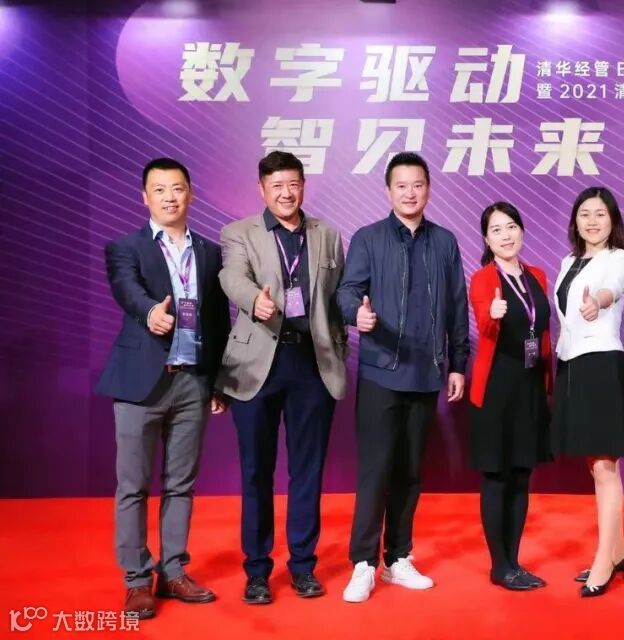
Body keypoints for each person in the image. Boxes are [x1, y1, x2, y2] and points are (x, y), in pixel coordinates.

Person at [95, 157, 229, 620]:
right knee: (133, 486)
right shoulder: (125, 247)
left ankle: (173, 572)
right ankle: (137, 580)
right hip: (141, 383)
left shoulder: (209, 252)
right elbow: (125, 288)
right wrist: (150, 311)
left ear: (190, 194)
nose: (170, 197)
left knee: (182, 485)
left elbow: (217, 319)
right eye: (160, 189)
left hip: (193, 381)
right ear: (145, 197)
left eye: (177, 188)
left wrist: (217, 381)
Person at [337, 151, 470, 603]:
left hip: (427, 372)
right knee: (375, 470)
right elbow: (347, 291)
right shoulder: (368, 238)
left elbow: (456, 306)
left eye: (418, 184)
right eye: (402, 185)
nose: (410, 193)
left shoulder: (445, 242)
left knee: (411, 472)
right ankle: (362, 563)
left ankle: (397, 558)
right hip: (381, 371)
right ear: (388, 191)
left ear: (428, 188)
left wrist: (457, 363)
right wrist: (356, 314)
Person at [216, 151, 347, 605]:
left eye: (293, 184)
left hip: (313, 364)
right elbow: (231, 277)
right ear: (262, 189)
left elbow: (339, 297)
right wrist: (255, 300)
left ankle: (303, 566)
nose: (286, 193)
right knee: (256, 471)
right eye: (276, 186)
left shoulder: (328, 235)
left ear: (303, 185)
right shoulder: (238, 233)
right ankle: (256, 571)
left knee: (307, 471)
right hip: (258, 366)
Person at [552, 186, 624, 598]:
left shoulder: (620, 259)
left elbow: (612, 288)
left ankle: (604, 561)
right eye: (585, 213)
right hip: (571, 364)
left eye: (600, 213)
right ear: (575, 220)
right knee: (593, 465)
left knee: (605, 466)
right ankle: (619, 552)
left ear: (612, 219)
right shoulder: (568, 261)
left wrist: (598, 302)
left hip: (601, 364)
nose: (592, 221)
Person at [467, 202, 553, 591]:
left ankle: (515, 563)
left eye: (511, 226)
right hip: (497, 391)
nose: (506, 235)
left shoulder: (538, 275)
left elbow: (544, 330)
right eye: (497, 230)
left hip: (530, 388)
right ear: (487, 239)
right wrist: (493, 315)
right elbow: (484, 324)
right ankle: (499, 566)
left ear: (522, 230)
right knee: (497, 477)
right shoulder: (483, 279)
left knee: (521, 475)